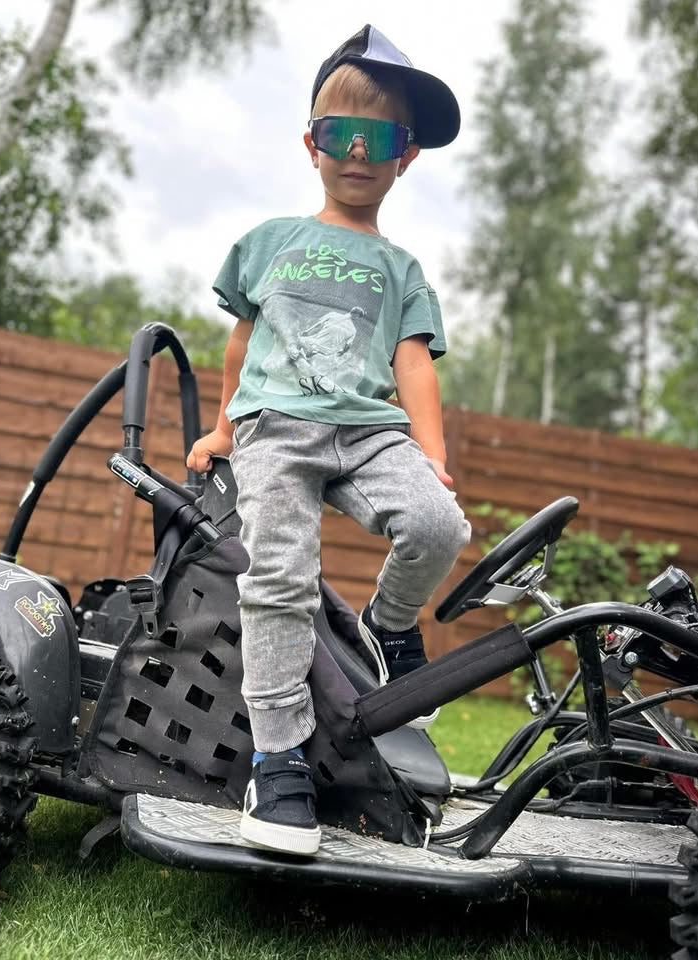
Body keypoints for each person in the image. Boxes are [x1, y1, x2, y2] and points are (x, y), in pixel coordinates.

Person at [187, 24, 471, 856]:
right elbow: (242, 344)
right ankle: (276, 761)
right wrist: (222, 429)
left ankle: (389, 625)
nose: (355, 153)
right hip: (274, 429)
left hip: (367, 431)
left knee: (438, 524)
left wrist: (431, 455)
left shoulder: (401, 269)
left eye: (374, 139)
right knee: (278, 577)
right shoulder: (270, 242)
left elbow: (412, 364)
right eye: (338, 135)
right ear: (310, 144)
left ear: (403, 156)